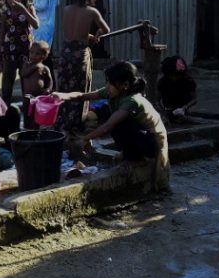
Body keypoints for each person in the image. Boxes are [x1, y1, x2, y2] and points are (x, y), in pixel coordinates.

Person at [53, 61, 169, 191]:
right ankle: (129, 155)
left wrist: (85, 138)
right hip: (141, 136)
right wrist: (63, 96)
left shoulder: (132, 101)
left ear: (125, 85)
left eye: (110, 83)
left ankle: (136, 159)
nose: (107, 86)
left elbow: (107, 127)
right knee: (116, 122)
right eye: (107, 82)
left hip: (152, 143)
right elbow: (83, 96)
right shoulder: (113, 92)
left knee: (120, 124)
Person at [54, 0, 110, 133]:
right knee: (80, 89)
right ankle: (77, 123)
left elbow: (72, 33)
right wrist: (97, 34)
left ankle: (61, 121)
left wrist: (88, 36)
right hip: (80, 54)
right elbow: (106, 29)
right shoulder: (91, 11)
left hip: (65, 51)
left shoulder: (66, 10)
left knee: (64, 87)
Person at [0, 0, 39, 104]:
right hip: (9, 52)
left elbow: (36, 24)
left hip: (26, 52)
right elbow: (2, 35)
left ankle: (28, 115)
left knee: (26, 86)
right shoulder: (6, 13)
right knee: (6, 87)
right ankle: (5, 116)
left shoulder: (29, 8)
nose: (12, 0)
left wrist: (23, 10)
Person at [21, 41, 53, 129]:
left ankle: (35, 132)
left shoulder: (45, 68)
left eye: (37, 53)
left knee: (37, 117)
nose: (33, 55)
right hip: (27, 97)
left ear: (44, 56)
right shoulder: (26, 65)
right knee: (27, 115)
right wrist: (34, 67)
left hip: (38, 97)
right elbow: (23, 74)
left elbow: (50, 81)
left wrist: (48, 89)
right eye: (31, 52)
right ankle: (27, 131)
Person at [158, 55, 197, 123]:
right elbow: (157, 100)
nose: (175, 78)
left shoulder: (188, 81)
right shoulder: (163, 82)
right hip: (168, 109)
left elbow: (194, 99)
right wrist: (163, 113)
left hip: (184, 109)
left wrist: (184, 108)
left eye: (177, 75)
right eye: (172, 75)